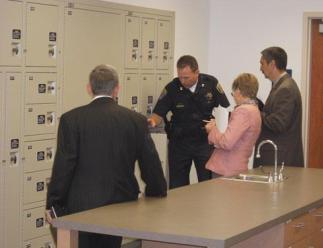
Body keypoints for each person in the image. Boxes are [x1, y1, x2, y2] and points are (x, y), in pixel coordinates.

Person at [45, 64, 167, 248]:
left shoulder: (71, 120)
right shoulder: (135, 120)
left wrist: (54, 204)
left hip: (81, 206)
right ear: (117, 88)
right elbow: (151, 163)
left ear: (89, 88)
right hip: (121, 205)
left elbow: (64, 166)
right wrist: (156, 191)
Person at [148, 55, 230, 189]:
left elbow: (224, 109)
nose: (182, 81)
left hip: (204, 141)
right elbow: (158, 113)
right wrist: (150, 122)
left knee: (207, 185)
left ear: (197, 72)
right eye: (180, 77)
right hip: (179, 143)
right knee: (177, 187)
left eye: (186, 77)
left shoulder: (211, 83)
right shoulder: (172, 88)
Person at [254, 46, 304, 167]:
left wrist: (255, 112)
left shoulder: (285, 89)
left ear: (272, 64)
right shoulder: (281, 85)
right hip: (278, 157)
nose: (260, 68)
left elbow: (278, 123)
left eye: (262, 63)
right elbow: (274, 114)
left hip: (280, 159)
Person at [205, 73, 261, 177]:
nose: (234, 96)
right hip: (236, 167)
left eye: (233, 93)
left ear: (238, 91)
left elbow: (227, 142)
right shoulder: (255, 110)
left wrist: (212, 130)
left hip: (226, 169)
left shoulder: (243, 111)